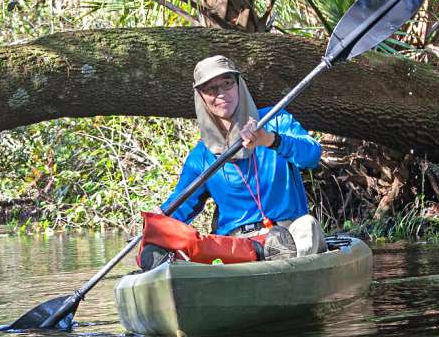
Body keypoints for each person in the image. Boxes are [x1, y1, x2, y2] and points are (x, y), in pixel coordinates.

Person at [139, 55, 324, 270]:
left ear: (238, 85)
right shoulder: (200, 157)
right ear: (201, 97)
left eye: (227, 84)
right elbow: (181, 207)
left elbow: (312, 155)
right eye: (210, 89)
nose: (220, 94)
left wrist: (271, 140)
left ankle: (292, 277)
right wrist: (158, 220)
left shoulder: (275, 120)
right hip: (237, 248)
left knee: (307, 227)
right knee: (160, 243)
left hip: (289, 236)